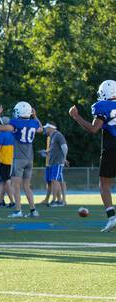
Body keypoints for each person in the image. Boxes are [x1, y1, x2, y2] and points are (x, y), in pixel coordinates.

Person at [69, 79, 116, 232]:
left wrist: (76, 117)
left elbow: (94, 129)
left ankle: (112, 216)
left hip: (111, 147)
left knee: (104, 183)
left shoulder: (102, 106)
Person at [0, 102, 43, 218]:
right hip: (30, 158)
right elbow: (41, 129)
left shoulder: (16, 122)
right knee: (27, 186)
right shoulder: (33, 123)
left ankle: (18, 210)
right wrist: (35, 116)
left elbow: (1, 127)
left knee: (15, 185)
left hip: (18, 158)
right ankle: (33, 210)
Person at [41, 123, 68, 207]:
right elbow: (53, 149)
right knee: (55, 180)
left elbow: (65, 147)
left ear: (50, 128)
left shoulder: (58, 135)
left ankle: (56, 201)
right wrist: (46, 152)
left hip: (57, 162)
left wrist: (64, 158)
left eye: (46, 128)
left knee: (55, 180)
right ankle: (57, 200)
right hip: (53, 162)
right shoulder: (52, 136)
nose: (45, 129)